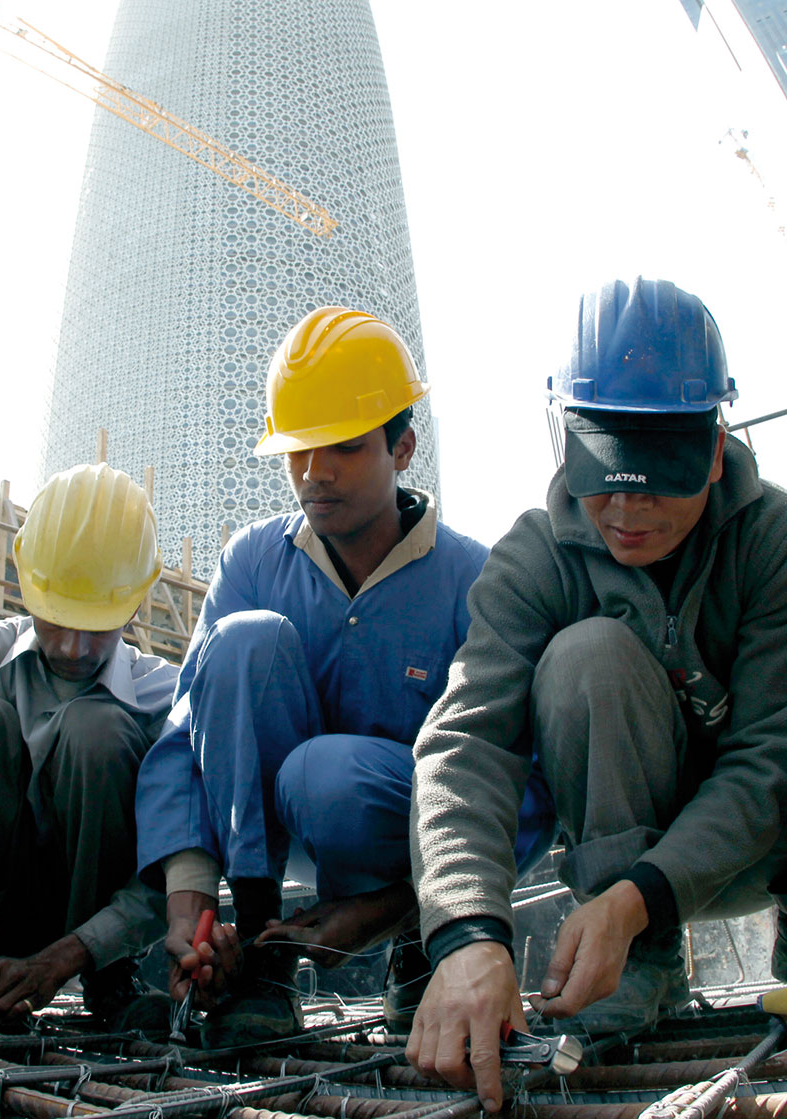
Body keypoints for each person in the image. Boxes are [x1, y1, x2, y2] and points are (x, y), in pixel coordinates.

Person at [406, 278, 787, 1110]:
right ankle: (642, 962)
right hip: (619, 850)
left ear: (711, 450)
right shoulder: (534, 559)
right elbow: (466, 744)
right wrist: (467, 932)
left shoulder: (783, 542)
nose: (626, 512)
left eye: (657, 482)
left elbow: (768, 762)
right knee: (586, 654)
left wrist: (642, 897)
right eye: (605, 478)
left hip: (766, 839)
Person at [135, 305, 523, 1046]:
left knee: (329, 775)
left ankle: (426, 946)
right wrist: (190, 901)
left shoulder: (474, 580)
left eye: (343, 447)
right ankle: (261, 957)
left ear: (403, 447)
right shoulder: (252, 561)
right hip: (272, 833)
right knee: (241, 645)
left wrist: (408, 905)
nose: (315, 473)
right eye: (298, 449)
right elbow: (190, 733)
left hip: (413, 840)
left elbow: (520, 778)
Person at [0, 462, 176, 1029]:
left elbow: (179, 863)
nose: (71, 647)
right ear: (27, 585)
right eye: (55, 618)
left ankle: (110, 979)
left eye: (95, 625)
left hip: (98, 935)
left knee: (100, 731)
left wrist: (79, 951)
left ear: (136, 603)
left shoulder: (161, 697)